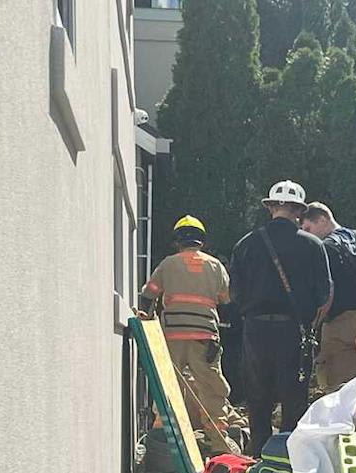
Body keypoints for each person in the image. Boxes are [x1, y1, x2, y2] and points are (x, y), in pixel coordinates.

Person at [229, 180, 332, 456]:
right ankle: (289, 461)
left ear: (270, 207)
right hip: (294, 331)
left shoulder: (246, 245)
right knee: (294, 401)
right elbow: (324, 294)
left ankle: (258, 460)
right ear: (299, 211)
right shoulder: (312, 245)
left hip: (256, 330)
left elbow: (235, 293)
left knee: (257, 398)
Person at [138, 215, 243, 451]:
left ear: (178, 241)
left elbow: (149, 294)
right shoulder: (215, 266)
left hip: (172, 336)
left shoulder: (167, 264)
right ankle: (217, 439)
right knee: (211, 386)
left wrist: (147, 317)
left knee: (169, 384)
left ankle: (161, 436)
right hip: (204, 337)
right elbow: (226, 300)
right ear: (202, 241)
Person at [300, 202, 356, 390]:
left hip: (340, 323)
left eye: (308, 228)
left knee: (340, 387)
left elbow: (327, 290)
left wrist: (314, 324)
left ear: (323, 220)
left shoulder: (326, 247)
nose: (307, 235)